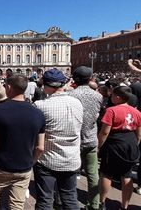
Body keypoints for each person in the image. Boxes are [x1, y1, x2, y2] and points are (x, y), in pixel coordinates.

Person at [0, 75, 45, 210]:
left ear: (9, 87)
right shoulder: (38, 114)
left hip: (0, 165)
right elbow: (40, 147)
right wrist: (31, 162)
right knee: (17, 204)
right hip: (24, 167)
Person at [33, 68, 83, 210]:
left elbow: (35, 133)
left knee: (45, 201)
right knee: (70, 198)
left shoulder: (40, 106)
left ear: (46, 85)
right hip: (72, 159)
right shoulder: (77, 103)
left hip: (47, 160)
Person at [98, 86, 141, 210]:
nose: (111, 98)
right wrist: (135, 145)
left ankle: (102, 203)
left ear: (118, 97)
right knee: (126, 175)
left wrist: (99, 146)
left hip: (114, 142)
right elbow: (139, 134)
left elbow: (105, 132)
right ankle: (124, 206)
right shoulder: (137, 112)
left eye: (112, 96)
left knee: (107, 174)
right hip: (130, 142)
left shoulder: (111, 110)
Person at [68, 66, 103, 210]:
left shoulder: (71, 95)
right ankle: (94, 204)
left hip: (74, 139)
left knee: (69, 173)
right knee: (93, 173)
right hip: (90, 138)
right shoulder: (98, 96)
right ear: (90, 79)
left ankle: (68, 202)